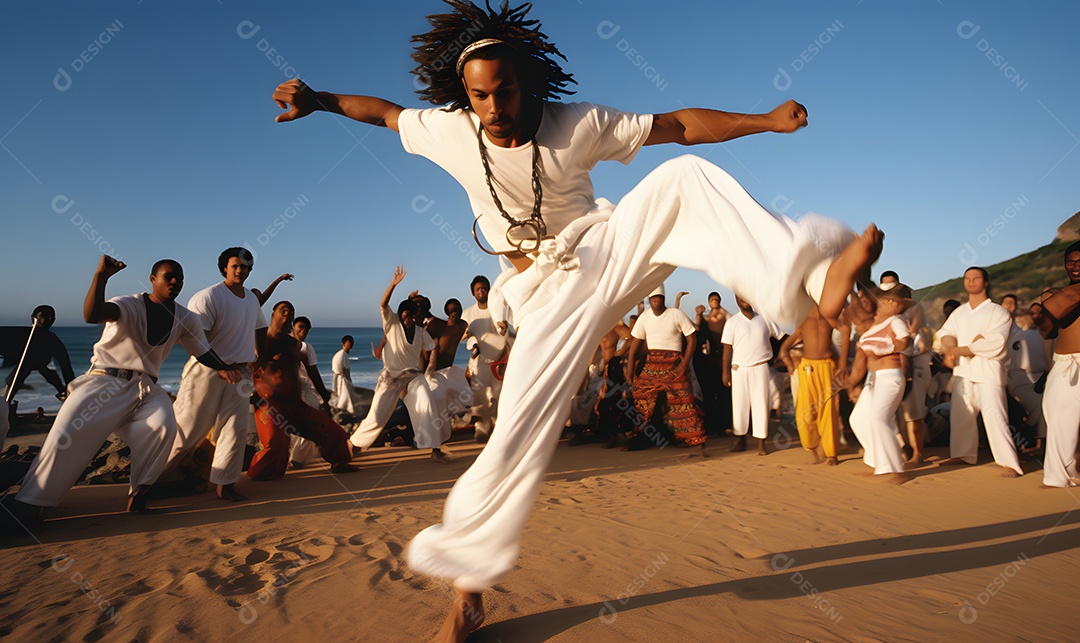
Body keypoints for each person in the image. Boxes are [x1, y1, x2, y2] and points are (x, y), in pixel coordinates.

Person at [271, 2, 883, 637]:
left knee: (682, 179)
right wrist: (319, 100)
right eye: (480, 95)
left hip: (600, 252)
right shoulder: (451, 130)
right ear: (465, 95)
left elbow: (678, 125)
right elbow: (385, 113)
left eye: (505, 90)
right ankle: (468, 594)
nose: (494, 107)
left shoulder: (578, 122)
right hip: (541, 299)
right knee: (515, 429)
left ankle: (817, 275)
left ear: (525, 80)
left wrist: (765, 121)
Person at [0, 256, 242, 530]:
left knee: (163, 427)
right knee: (66, 437)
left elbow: (203, 352)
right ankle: (29, 503)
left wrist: (224, 368)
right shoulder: (128, 304)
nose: (175, 281)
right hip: (104, 381)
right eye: (169, 276)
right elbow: (92, 315)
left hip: (146, 388)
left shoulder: (186, 318)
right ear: (153, 279)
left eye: (180, 278)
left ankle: (139, 495)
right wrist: (101, 277)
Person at [165, 247, 268, 502]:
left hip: (239, 373)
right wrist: (220, 367)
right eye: (235, 266)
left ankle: (226, 484)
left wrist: (258, 361)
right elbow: (194, 339)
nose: (240, 270)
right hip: (207, 370)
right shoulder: (209, 297)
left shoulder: (251, 299)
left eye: (245, 267)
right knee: (186, 429)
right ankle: (148, 480)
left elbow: (260, 329)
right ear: (224, 268)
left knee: (235, 429)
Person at [348, 267, 452, 463]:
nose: (405, 319)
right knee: (378, 414)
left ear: (413, 315)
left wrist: (430, 370)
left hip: (413, 377)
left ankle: (435, 449)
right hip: (390, 378)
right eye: (402, 315)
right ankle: (353, 444)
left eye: (408, 316)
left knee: (427, 401)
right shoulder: (392, 324)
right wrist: (393, 284)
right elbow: (383, 304)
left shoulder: (421, 332)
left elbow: (432, 348)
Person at [247, 301, 355, 480]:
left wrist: (325, 398)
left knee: (335, 433)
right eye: (283, 312)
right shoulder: (259, 340)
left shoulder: (294, 345)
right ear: (273, 314)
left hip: (295, 405)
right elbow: (246, 365)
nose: (286, 316)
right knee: (277, 446)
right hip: (269, 405)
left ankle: (340, 463)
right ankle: (256, 474)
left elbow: (312, 371)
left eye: (290, 314)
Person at [938, 267, 1023, 477]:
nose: (971, 281)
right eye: (967, 278)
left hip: (988, 372)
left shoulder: (998, 312)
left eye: (976, 278)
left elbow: (995, 342)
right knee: (961, 416)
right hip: (963, 372)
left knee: (996, 418)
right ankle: (963, 454)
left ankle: (1010, 463)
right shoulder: (959, 312)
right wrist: (950, 347)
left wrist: (959, 350)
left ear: (985, 282)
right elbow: (945, 333)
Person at [624, 284, 705, 450]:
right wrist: (630, 368)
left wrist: (684, 364)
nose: (655, 300)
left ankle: (691, 438)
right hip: (652, 362)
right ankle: (644, 437)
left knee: (683, 399)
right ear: (649, 300)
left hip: (674, 362)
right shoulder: (644, 317)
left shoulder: (676, 314)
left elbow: (692, 339)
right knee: (642, 396)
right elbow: (635, 344)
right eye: (653, 298)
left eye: (658, 297)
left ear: (663, 298)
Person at [844, 288, 910, 482]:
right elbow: (861, 361)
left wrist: (882, 349)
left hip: (889, 376)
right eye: (884, 300)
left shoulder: (896, 321)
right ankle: (878, 464)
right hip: (872, 379)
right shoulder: (872, 326)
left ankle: (896, 469)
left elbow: (905, 342)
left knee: (879, 418)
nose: (886, 303)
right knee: (858, 419)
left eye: (892, 301)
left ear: (897, 305)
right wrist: (848, 382)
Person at [1033, 242, 1080, 487]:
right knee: (1059, 417)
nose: (1075, 266)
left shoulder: (1065, 295)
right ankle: (1062, 473)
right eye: (1070, 262)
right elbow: (1048, 330)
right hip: (1063, 363)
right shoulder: (1056, 294)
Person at [779, 304, 839, 465]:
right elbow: (783, 349)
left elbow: (833, 341)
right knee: (804, 411)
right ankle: (813, 447)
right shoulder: (803, 321)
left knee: (828, 410)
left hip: (827, 366)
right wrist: (791, 367)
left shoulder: (830, 318)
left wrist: (840, 364)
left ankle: (831, 453)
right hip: (807, 368)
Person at [722, 296, 782, 455]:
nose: (744, 299)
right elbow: (727, 350)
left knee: (761, 404)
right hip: (739, 369)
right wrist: (725, 373)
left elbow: (781, 338)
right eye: (740, 296)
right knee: (739, 405)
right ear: (735, 299)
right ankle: (739, 440)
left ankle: (761, 443)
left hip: (760, 367)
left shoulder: (765, 319)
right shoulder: (732, 322)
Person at [460, 276, 510, 442]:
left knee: (500, 395)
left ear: (489, 290)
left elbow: (507, 330)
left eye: (484, 288)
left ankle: (499, 430)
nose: (481, 291)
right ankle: (481, 429)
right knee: (480, 397)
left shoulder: (498, 309)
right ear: (473, 293)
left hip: (500, 360)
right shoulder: (468, 313)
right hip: (478, 361)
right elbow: (460, 335)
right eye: (477, 289)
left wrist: (504, 328)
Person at [1, 305, 76, 403]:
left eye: (49, 318)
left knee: (36, 366)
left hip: (26, 371)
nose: (44, 321)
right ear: (33, 318)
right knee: (31, 367)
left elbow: (65, 366)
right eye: (41, 317)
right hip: (15, 371)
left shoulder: (52, 340)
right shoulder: (20, 334)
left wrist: (73, 390)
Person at [288, 316, 333, 467]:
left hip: (305, 389)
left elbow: (313, 372)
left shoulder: (306, 348)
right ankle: (292, 457)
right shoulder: (284, 344)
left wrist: (323, 394)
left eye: (306, 329)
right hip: (288, 389)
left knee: (309, 421)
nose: (303, 331)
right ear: (293, 326)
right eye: (300, 327)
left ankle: (297, 458)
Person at [694, 292, 733, 436]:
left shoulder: (727, 317)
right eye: (712, 300)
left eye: (716, 300)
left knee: (724, 393)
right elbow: (698, 329)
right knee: (709, 394)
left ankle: (726, 424)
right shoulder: (706, 318)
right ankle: (711, 426)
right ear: (709, 302)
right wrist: (699, 315)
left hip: (723, 359)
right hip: (709, 361)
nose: (714, 302)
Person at [330, 335, 363, 415]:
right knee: (344, 397)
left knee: (340, 396)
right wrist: (349, 380)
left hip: (338, 377)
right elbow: (345, 369)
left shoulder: (340, 353)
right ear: (343, 344)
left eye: (350, 345)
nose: (349, 347)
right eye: (347, 345)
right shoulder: (343, 354)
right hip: (341, 378)